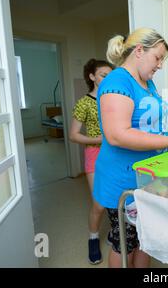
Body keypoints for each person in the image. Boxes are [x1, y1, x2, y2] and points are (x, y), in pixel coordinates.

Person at [94, 28, 168, 268]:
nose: (160, 65)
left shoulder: (148, 83)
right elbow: (118, 135)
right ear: (139, 51)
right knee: (124, 243)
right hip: (122, 181)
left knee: (144, 239)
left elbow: (148, 128)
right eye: (158, 58)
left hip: (148, 177)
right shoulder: (117, 81)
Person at [69, 58, 113, 264]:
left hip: (117, 155)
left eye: (110, 75)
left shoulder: (115, 99)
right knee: (99, 204)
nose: (108, 78)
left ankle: (118, 234)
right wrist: (98, 139)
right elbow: (73, 135)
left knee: (118, 200)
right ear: (92, 77)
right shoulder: (84, 103)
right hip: (95, 155)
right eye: (104, 74)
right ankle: (93, 238)